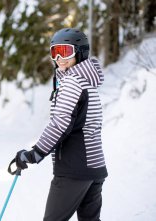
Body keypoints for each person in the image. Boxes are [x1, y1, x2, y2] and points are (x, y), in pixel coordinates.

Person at [11, 28, 108, 221]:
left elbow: (60, 123)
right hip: (94, 168)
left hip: (74, 169)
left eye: (65, 51)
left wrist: (34, 153)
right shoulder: (87, 81)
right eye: (55, 52)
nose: (59, 58)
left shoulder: (72, 82)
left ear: (80, 52)